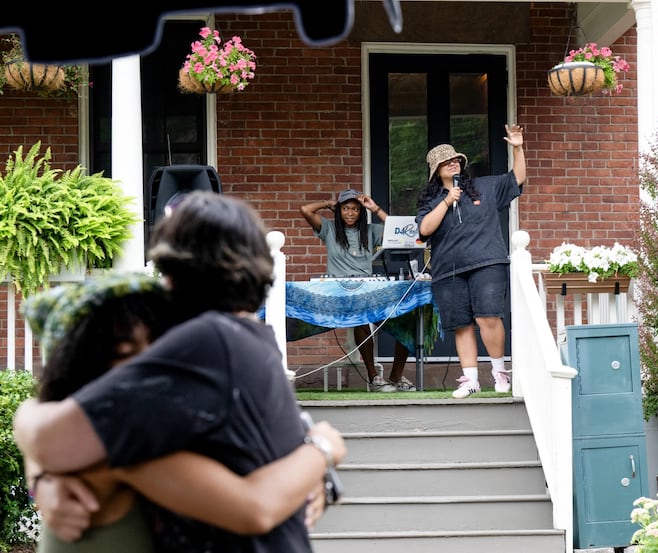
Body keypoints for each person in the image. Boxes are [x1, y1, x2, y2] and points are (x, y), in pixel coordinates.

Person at [13, 191, 341, 552]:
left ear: (172, 270)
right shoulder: (257, 342)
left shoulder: (208, 341)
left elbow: (51, 440)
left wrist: (40, 435)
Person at [415, 124, 526, 399]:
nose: (453, 163)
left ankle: (499, 371)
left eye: (455, 160)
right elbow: (425, 230)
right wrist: (446, 201)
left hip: (488, 262)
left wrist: (517, 147)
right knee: (461, 324)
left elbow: (518, 178)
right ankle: (471, 380)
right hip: (448, 270)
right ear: (436, 171)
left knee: (488, 316)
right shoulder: (431, 201)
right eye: (446, 162)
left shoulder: (484, 186)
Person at [300, 188, 415, 392]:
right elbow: (305, 210)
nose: (350, 213)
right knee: (362, 320)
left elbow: (402, 231)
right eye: (345, 208)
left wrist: (375, 208)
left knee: (405, 321)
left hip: (368, 290)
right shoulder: (329, 229)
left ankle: (396, 375)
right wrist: (328, 203)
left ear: (361, 211)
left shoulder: (370, 231)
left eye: (355, 209)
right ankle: (373, 377)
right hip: (340, 292)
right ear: (339, 210)